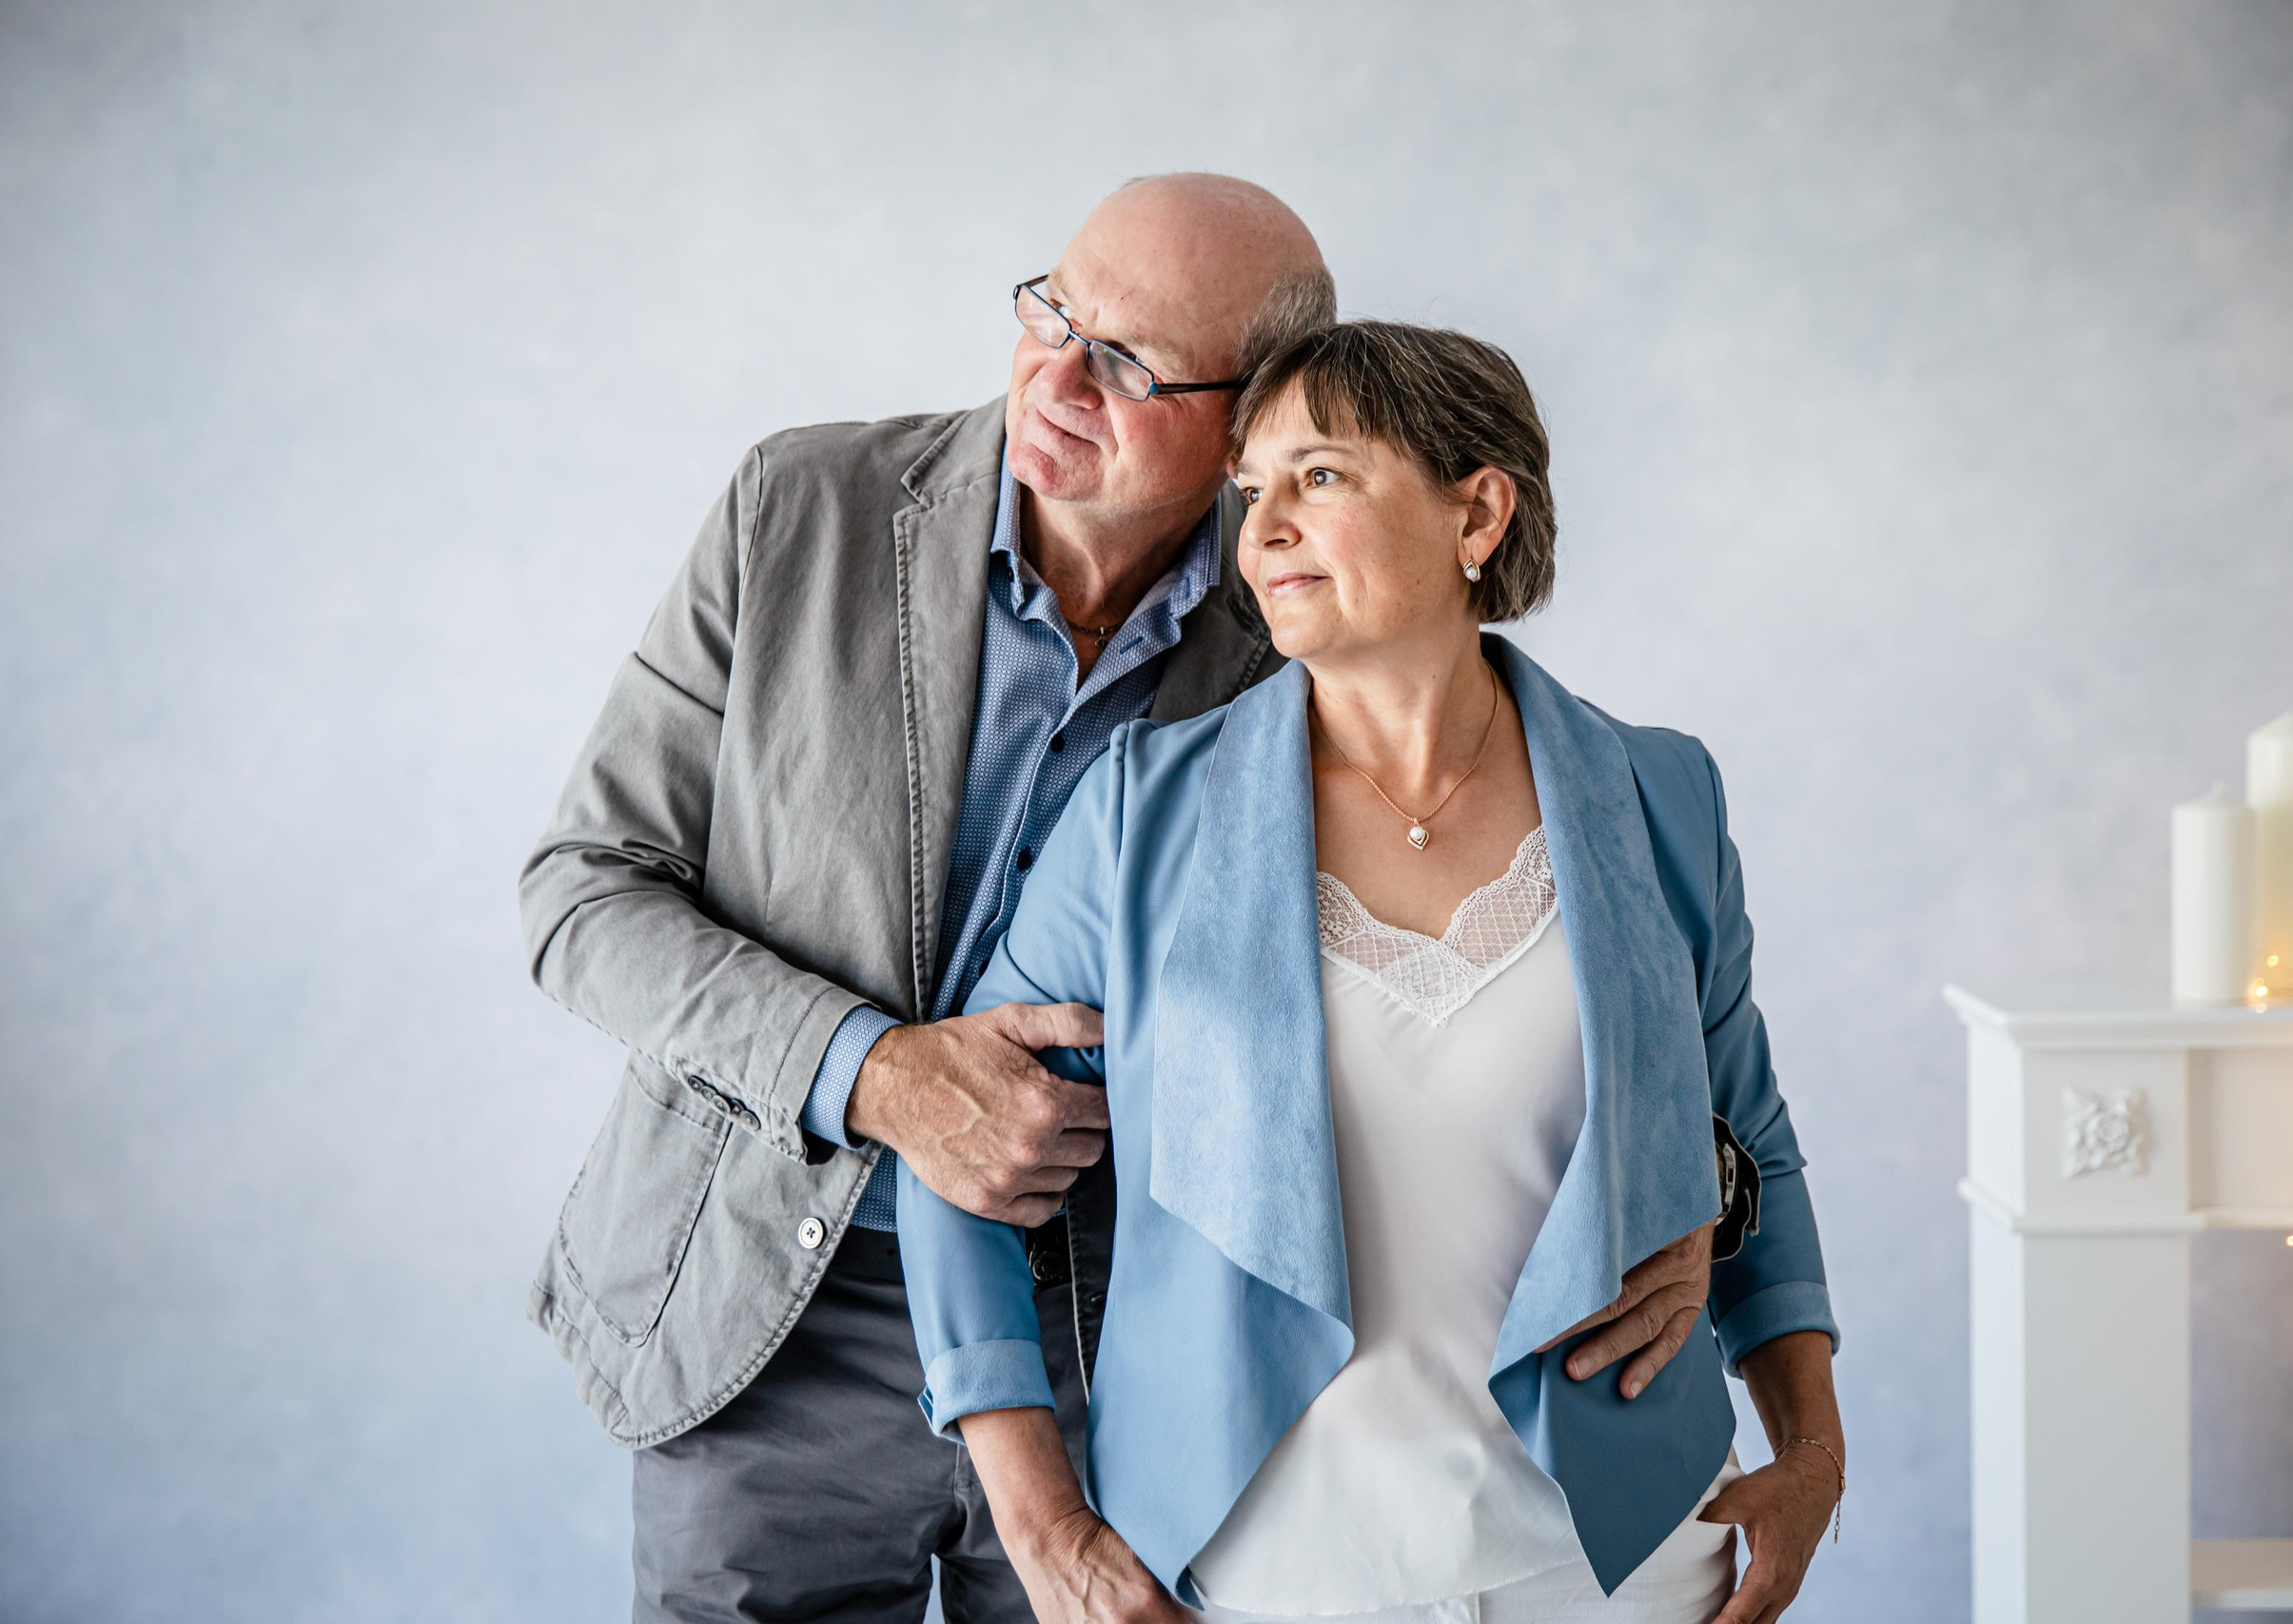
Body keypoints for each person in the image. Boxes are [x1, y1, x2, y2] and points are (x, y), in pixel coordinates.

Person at [520, 178, 1731, 1620]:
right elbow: (584, 894)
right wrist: (879, 1073)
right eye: (1053, 309)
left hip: (1117, 1349)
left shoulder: (1313, 609)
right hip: (771, 1307)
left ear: (1250, 423)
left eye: (1131, 363)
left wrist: (1697, 1184)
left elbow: (1512, 985)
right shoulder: (805, 507)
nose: (1057, 376)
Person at [897, 322, 1844, 1624]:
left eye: (1322, 477)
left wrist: (1812, 1453)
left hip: (1625, 1561)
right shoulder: (1133, 820)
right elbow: (956, 1163)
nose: (1265, 527)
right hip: (1266, 1567)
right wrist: (1046, 1528)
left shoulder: (1658, 792)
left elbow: (1753, 1143)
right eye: (1254, 489)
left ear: (1479, 511)